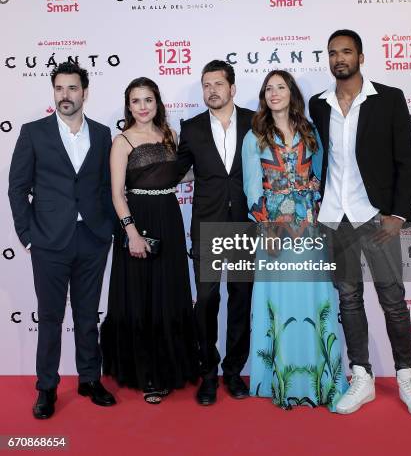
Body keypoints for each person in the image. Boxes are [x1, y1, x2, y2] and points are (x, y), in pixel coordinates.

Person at [309, 29, 411, 418]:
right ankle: (360, 376)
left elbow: (406, 159)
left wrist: (399, 214)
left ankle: (406, 376)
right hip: (336, 218)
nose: (338, 58)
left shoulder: (389, 99)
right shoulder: (319, 104)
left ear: (361, 57)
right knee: (348, 299)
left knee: (393, 300)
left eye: (346, 51)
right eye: (332, 53)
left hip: (377, 216)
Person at [8, 62, 116, 419]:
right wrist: (27, 237)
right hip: (49, 242)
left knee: (88, 316)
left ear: (85, 92)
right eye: (59, 89)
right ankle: (47, 388)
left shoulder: (102, 135)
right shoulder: (34, 132)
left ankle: (89, 379)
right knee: (51, 318)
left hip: (92, 238)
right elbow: (17, 188)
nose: (65, 95)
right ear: (53, 92)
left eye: (72, 88)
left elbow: (106, 187)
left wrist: (108, 230)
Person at [242, 70, 347, 410]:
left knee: (312, 303)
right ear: (263, 96)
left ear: (292, 93)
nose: (274, 93)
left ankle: (320, 379)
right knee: (282, 304)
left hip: (310, 231)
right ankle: (282, 380)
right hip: (275, 234)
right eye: (269, 89)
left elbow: (321, 177)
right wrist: (266, 226)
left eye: (281, 87)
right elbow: (252, 186)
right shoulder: (254, 136)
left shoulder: (310, 131)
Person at [100, 77, 198, 404]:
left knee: (168, 293)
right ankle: (148, 375)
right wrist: (131, 233)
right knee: (141, 295)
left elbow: (181, 173)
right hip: (138, 219)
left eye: (148, 100)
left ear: (157, 103)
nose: (143, 107)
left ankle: (170, 367)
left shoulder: (170, 136)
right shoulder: (122, 141)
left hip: (168, 217)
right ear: (128, 106)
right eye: (136, 101)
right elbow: (116, 194)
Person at [177, 60, 254, 405]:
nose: (212, 90)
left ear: (232, 88)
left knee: (240, 300)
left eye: (218, 84)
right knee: (207, 300)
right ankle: (207, 372)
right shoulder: (190, 128)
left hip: (244, 224)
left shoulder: (255, 122)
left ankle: (234, 372)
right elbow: (178, 173)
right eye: (206, 85)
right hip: (207, 226)